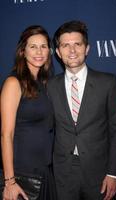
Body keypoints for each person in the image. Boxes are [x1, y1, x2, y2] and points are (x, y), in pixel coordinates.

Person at [47, 20, 116, 200]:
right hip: (63, 172)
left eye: (77, 44)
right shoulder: (50, 86)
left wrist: (113, 173)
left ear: (87, 48)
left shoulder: (108, 82)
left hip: (98, 170)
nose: (72, 51)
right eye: (66, 45)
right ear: (58, 52)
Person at [0, 25, 56, 200]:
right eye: (33, 46)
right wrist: (10, 182)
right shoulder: (13, 82)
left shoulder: (45, 83)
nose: (39, 51)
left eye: (43, 46)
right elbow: (6, 135)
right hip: (22, 174)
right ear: (23, 51)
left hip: (45, 170)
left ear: (49, 51)